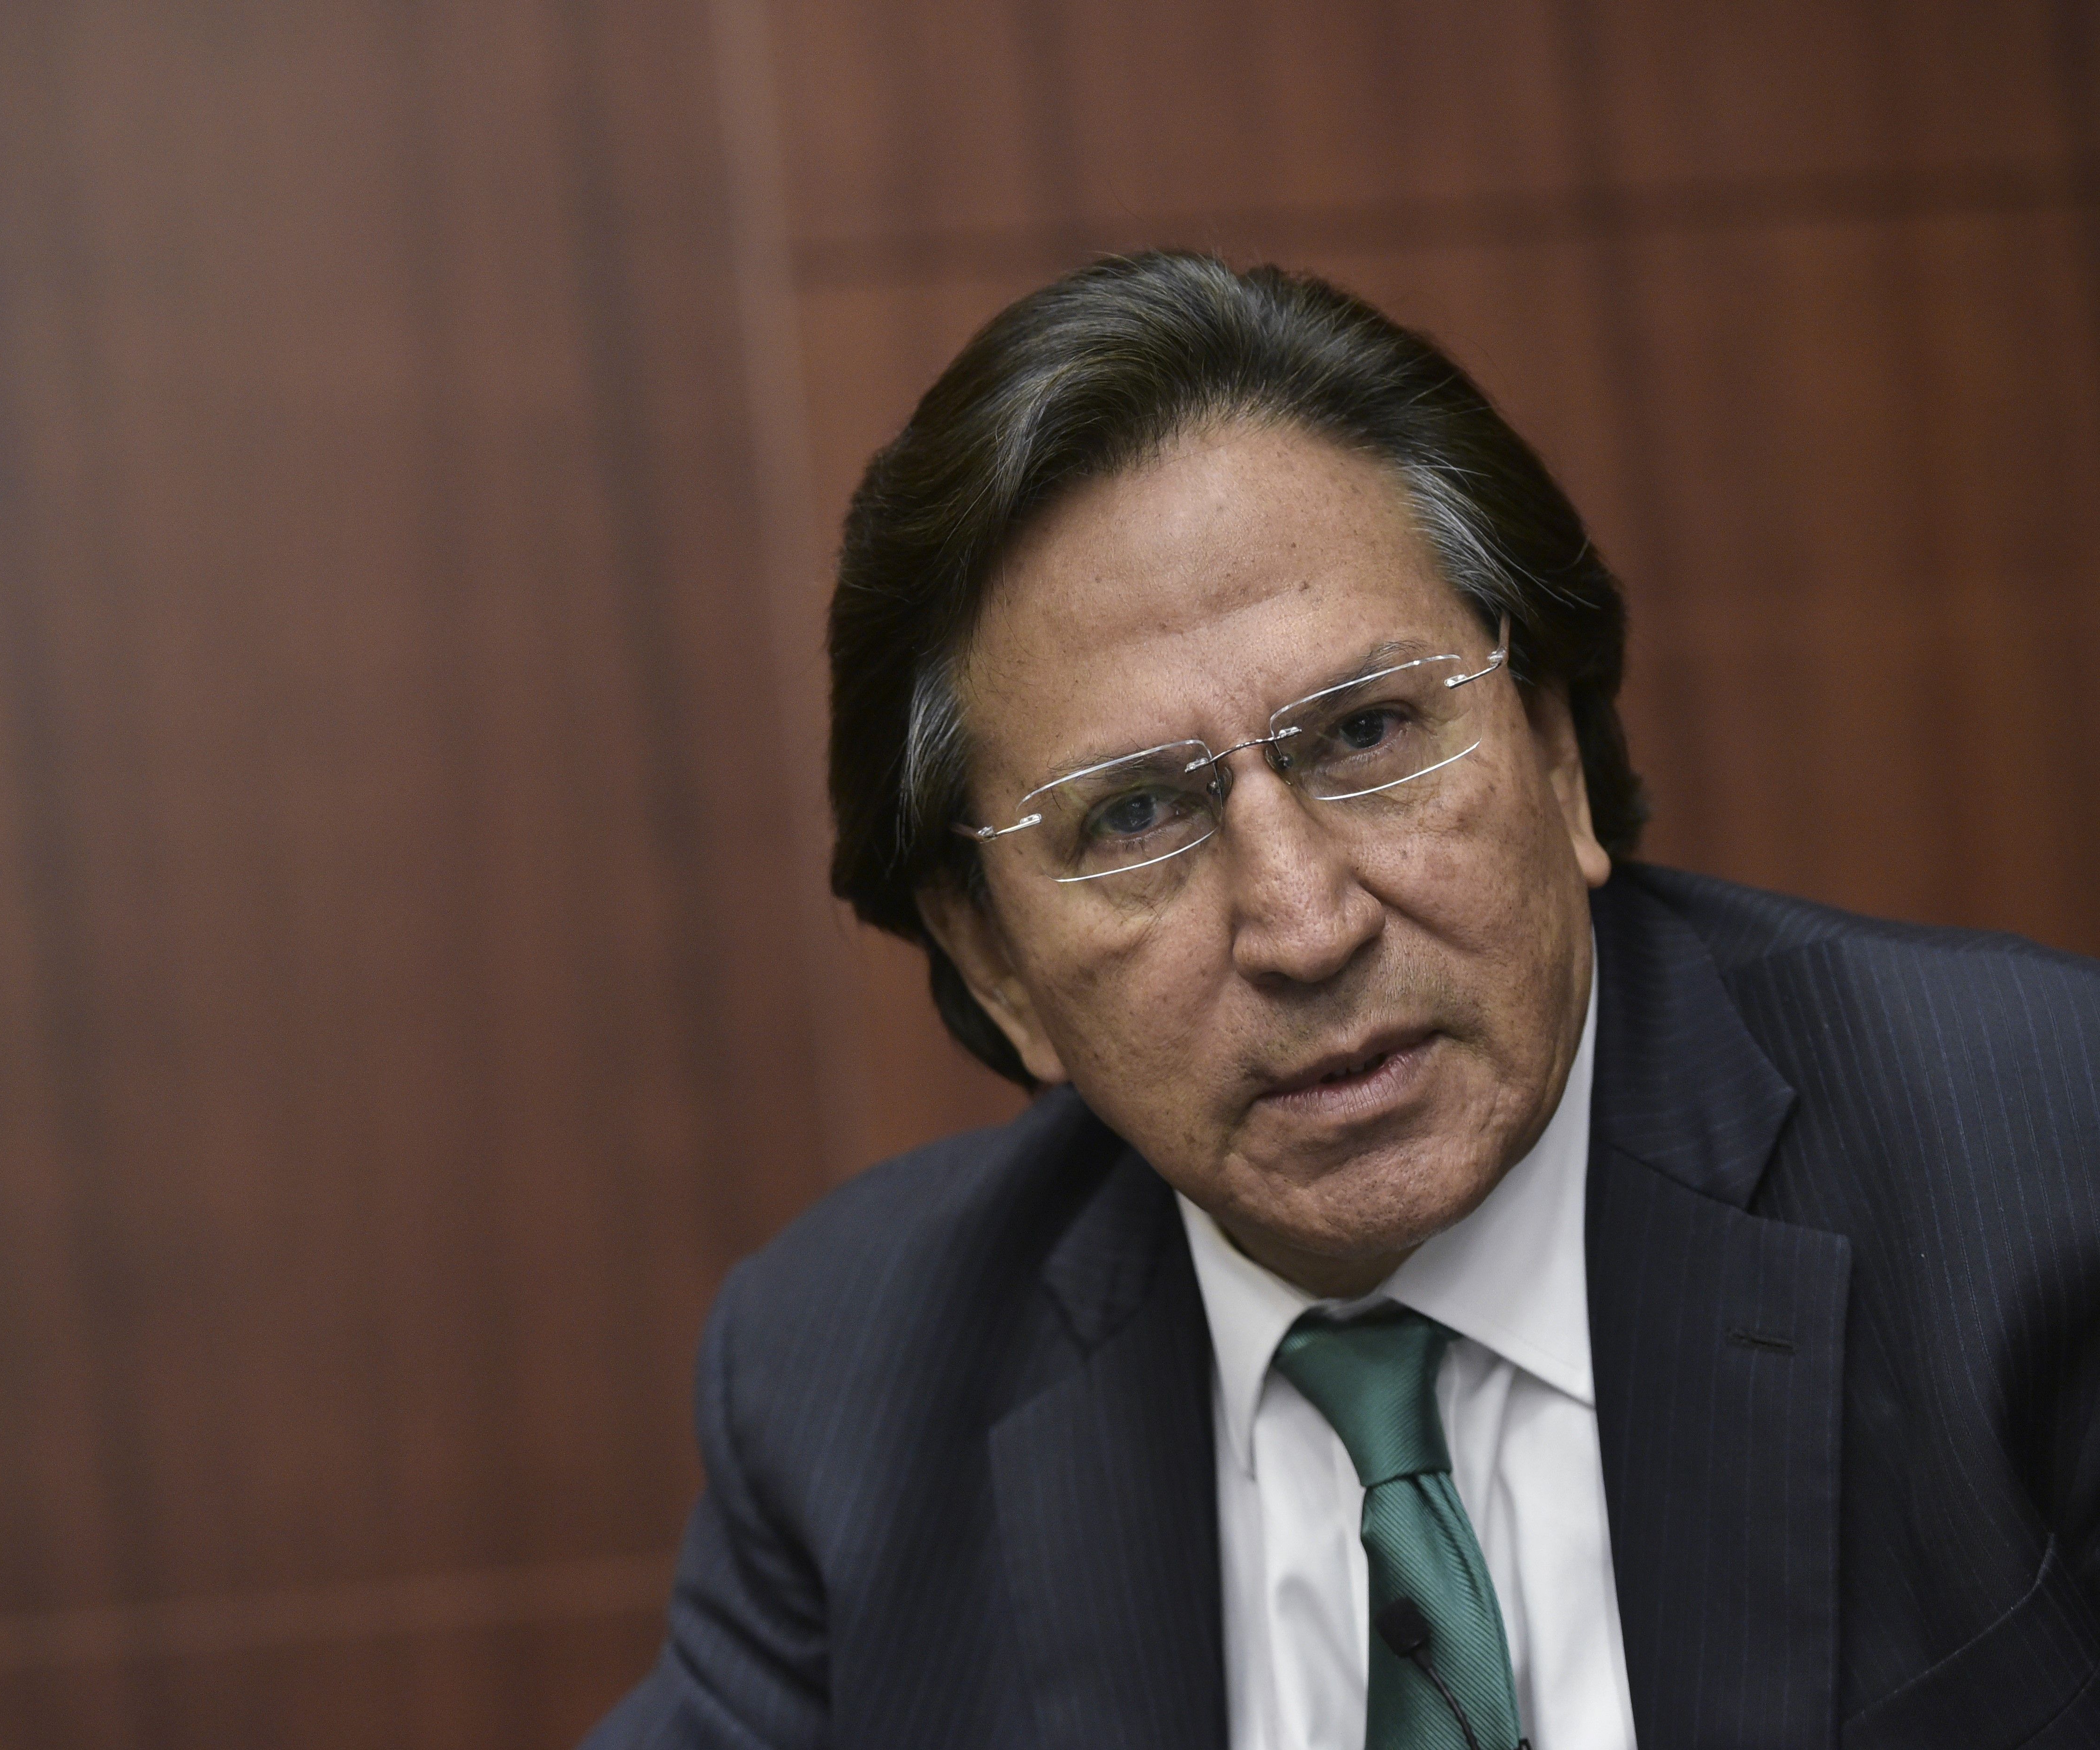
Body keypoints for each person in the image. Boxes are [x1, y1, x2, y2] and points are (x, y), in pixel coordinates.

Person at [582, 253, 2100, 1749]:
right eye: (1131, 819)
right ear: (992, 962)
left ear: (1558, 756)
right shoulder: (851, 1390)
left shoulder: (2034, 1166)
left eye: (1369, 731)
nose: (1304, 925)